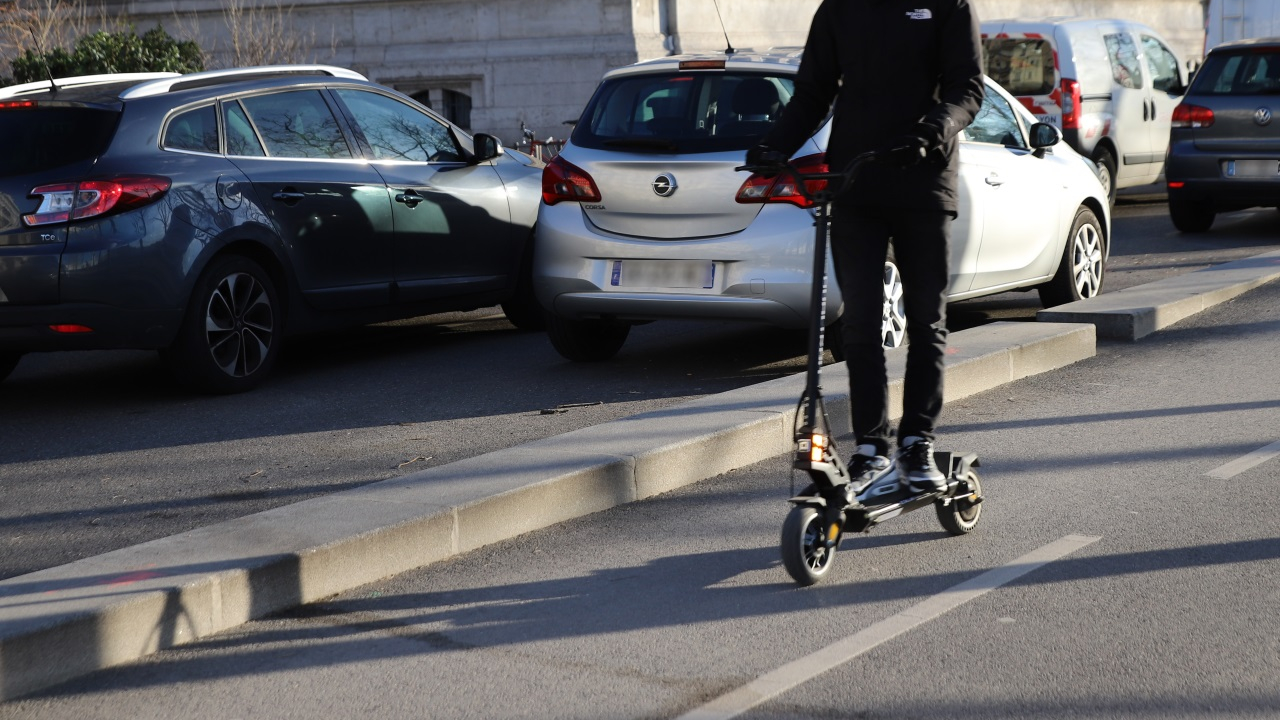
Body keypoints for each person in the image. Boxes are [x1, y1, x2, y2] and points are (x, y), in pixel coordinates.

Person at [747, 0, 985, 493]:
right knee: (859, 321)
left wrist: (931, 131)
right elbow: (813, 91)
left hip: (923, 182)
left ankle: (917, 442)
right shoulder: (839, 9)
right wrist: (776, 144)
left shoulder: (948, 7)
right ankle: (872, 448)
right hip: (855, 185)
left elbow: (968, 89)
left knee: (924, 318)